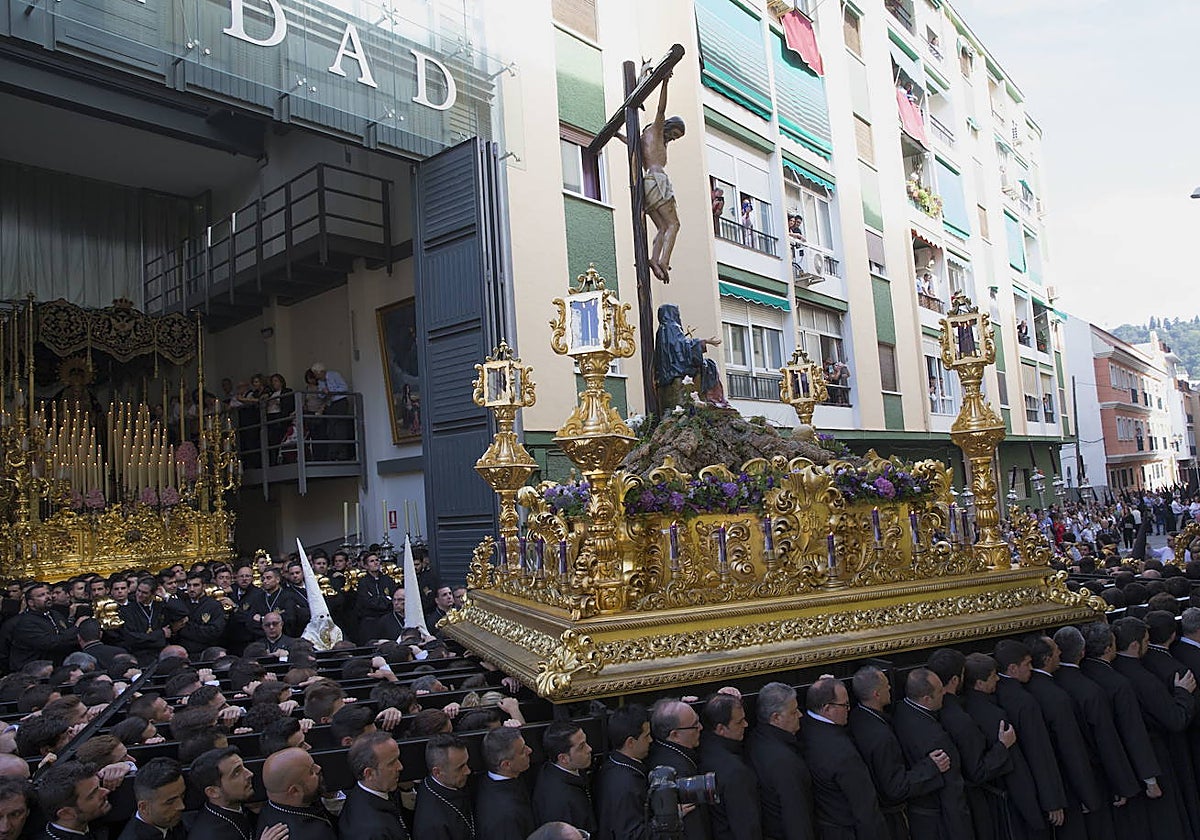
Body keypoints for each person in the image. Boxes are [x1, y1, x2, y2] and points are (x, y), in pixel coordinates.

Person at [1053, 625, 1139, 840]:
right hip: (1094, 775)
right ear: (1081, 653)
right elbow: (1106, 740)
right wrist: (1121, 784)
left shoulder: (1052, 682)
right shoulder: (1090, 691)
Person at [848, 667, 946, 840]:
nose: (891, 689)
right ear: (876, 694)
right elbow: (895, 788)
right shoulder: (882, 737)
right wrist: (931, 766)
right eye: (886, 686)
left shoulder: (857, 717)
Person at [926, 649, 1015, 840]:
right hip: (972, 803)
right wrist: (1003, 746)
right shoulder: (960, 719)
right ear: (956, 680)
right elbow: (978, 771)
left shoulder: (932, 709)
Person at [1022, 635, 1104, 840]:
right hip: (1067, 786)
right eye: (1056, 650)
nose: (1060, 653)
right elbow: (1072, 749)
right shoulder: (1057, 698)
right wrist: (1088, 795)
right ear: (1047, 658)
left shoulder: (1029, 688)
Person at [799, 675, 889, 839]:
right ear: (827, 709)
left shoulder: (804, 725)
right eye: (845, 705)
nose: (849, 709)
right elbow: (865, 809)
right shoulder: (844, 754)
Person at [992, 639, 1067, 832]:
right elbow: (1039, 751)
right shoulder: (1025, 701)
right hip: (1037, 789)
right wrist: (1052, 800)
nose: (1031, 669)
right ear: (1012, 668)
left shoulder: (997, 692)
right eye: (1027, 664)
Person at [891, 668, 971, 840]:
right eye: (940, 691)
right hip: (937, 821)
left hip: (917, 816)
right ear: (926, 699)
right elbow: (953, 795)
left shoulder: (901, 710)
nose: (944, 693)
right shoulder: (937, 739)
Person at [744, 681, 815, 840]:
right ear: (776, 718)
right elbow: (796, 816)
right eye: (794, 712)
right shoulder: (784, 761)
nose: (800, 715)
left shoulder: (754, 740)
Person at [640, 73, 685, 283]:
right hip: (658, 182)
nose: (672, 139)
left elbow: (631, 147)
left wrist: (618, 135)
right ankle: (664, 262)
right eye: (674, 134)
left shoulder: (644, 137)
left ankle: (654, 260)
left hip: (647, 185)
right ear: (668, 126)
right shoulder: (656, 131)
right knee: (674, 225)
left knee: (662, 227)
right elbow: (661, 109)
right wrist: (665, 82)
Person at [698, 692, 760, 840]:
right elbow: (746, 827)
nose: (746, 724)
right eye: (739, 722)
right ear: (721, 729)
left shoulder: (701, 750)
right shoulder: (735, 771)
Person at [647, 698, 711, 840]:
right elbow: (694, 826)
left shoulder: (660, 749)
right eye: (695, 725)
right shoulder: (679, 773)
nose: (700, 727)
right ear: (675, 735)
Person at [191, 747, 284, 840]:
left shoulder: (238, 807)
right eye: (236, 773)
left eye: (244, 767)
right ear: (213, 792)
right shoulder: (208, 835)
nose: (250, 774)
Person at [594, 704, 652, 840]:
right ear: (630, 742)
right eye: (646, 736)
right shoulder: (628, 785)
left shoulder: (610, 766)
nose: (650, 740)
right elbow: (631, 835)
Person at [339, 731, 409, 840]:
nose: (400, 767)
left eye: (398, 759)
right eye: (391, 763)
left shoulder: (362, 793)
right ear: (369, 774)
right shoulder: (373, 832)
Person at [653, 303, 724, 409]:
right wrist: (704, 342)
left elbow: (678, 345)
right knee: (709, 365)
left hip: (668, 369)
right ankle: (713, 398)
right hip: (676, 368)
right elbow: (682, 346)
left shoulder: (662, 329)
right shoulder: (672, 327)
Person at [259, 747, 336, 840]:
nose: (318, 768)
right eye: (311, 772)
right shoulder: (314, 835)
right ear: (295, 791)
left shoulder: (271, 806)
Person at [533, 721, 595, 833]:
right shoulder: (561, 802)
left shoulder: (553, 769)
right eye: (581, 747)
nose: (589, 749)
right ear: (563, 758)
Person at [474, 726, 534, 840]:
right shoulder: (506, 816)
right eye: (522, 751)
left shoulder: (489, 780)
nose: (529, 750)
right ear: (506, 764)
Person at [413, 734, 475, 840]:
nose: (468, 771)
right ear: (437, 772)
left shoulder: (451, 782)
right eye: (460, 767)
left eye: (466, 763)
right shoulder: (432, 825)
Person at [35, 760, 112, 840]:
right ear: (66, 813)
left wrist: (123, 766)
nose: (106, 791)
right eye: (92, 795)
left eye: (99, 786)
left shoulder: (91, 817)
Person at [10, 584, 80, 670]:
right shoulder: (26, 622)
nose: (48, 597)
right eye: (41, 595)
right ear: (31, 603)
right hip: (35, 670)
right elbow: (50, 643)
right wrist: (77, 628)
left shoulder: (55, 614)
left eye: (48, 593)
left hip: (57, 665)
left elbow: (65, 632)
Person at [116, 758, 186, 840]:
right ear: (144, 807)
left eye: (182, 795)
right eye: (170, 802)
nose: (182, 806)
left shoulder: (177, 821)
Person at [311, 361, 352, 460]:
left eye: (316, 374)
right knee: (331, 430)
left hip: (340, 402)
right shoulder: (321, 382)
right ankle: (334, 454)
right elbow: (320, 395)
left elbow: (344, 387)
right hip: (330, 404)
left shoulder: (335, 375)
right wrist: (323, 392)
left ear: (321, 372)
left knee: (340, 428)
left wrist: (331, 391)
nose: (316, 377)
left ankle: (342, 454)